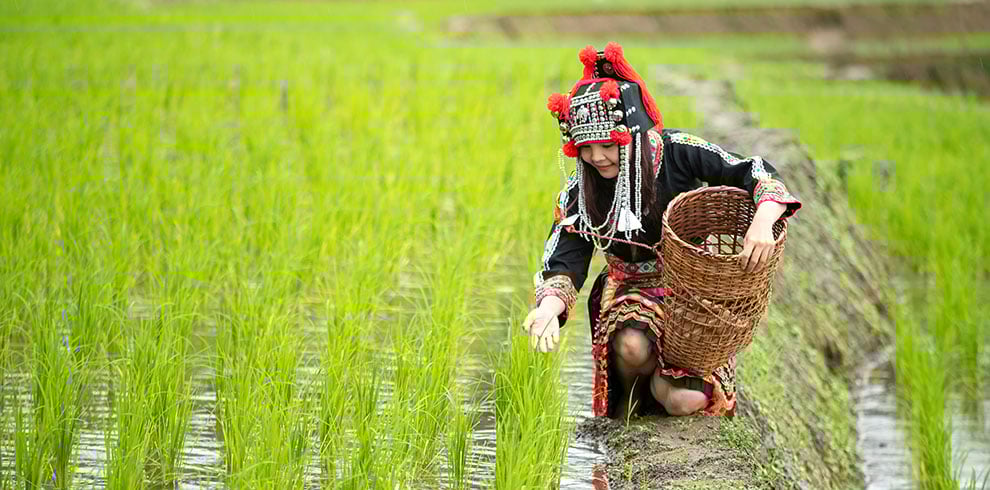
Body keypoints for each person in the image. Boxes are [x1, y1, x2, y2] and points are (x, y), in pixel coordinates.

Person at [523, 43, 802, 418]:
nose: (597, 157)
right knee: (633, 348)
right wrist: (546, 310)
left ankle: (666, 385)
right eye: (586, 149)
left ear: (634, 136)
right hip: (631, 293)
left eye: (608, 146)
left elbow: (751, 169)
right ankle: (633, 396)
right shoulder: (582, 189)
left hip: (693, 290)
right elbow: (566, 256)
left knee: (685, 401)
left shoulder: (678, 150)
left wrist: (764, 221)